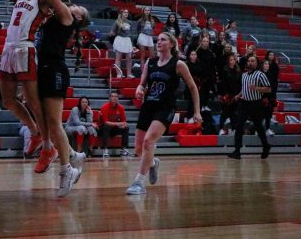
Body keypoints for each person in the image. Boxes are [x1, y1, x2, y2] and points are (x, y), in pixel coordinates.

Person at [0, 0, 71, 174]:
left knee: (32, 100)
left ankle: (48, 146)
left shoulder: (43, 3)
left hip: (26, 50)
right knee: (8, 101)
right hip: (8, 50)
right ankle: (34, 132)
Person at [19, 0, 89, 197]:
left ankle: (67, 168)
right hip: (43, 67)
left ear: (79, 18)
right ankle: (71, 154)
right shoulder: (51, 15)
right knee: (44, 117)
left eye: (80, 9)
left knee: (54, 121)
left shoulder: (67, 18)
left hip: (55, 69)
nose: (76, 6)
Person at [126, 32, 202, 195]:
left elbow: (193, 87)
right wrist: (139, 90)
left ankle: (139, 183)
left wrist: (197, 111)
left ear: (172, 44)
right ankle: (153, 163)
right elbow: (142, 84)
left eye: (163, 39)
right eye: (158, 39)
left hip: (165, 108)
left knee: (148, 141)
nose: (158, 42)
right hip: (148, 106)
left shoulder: (179, 64)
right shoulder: (150, 62)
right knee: (139, 149)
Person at [228, 55, 272, 160]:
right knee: (239, 126)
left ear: (257, 64)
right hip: (244, 103)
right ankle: (237, 151)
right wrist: (238, 95)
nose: (250, 62)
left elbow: (269, 89)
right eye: (249, 61)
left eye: (253, 61)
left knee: (258, 126)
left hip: (256, 103)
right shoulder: (243, 75)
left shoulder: (260, 74)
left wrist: (256, 88)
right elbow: (244, 89)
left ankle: (266, 146)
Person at [99, 92, 129, 157]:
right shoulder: (104, 107)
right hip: (102, 129)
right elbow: (105, 122)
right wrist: (118, 124)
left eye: (116, 96)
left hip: (113, 129)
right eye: (112, 96)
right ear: (109, 98)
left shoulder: (121, 107)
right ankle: (105, 150)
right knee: (106, 126)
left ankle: (124, 149)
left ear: (118, 98)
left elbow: (124, 121)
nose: (114, 98)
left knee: (126, 127)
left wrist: (124, 124)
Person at [218, 54, 241, 135]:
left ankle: (234, 129)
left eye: (233, 60)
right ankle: (221, 128)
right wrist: (224, 94)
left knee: (234, 114)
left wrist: (238, 94)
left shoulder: (238, 71)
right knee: (224, 113)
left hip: (235, 95)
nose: (232, 61)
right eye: (231, 60)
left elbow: (239, 83)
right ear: (228, 61)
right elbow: (222, 83)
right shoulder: (225, 70)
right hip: (226, 94)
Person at [110, 9, 134, 78]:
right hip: (120, 39)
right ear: (121, 13)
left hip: (127, 40)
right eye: (125, 12)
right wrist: (112, 33)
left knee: (129, 58)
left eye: (127, 12)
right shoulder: (117, 22)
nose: (126, 13)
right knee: (118, 58)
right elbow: (112, 31)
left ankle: (129, 74)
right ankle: (119, 74)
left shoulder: (130, 22)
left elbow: (130, 33)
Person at [136, 7, 156, 74]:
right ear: (143, 11)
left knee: (152, 56)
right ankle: (143, 72)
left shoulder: (152, 20)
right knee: (143, 55)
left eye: (148, 10)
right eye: (146, 10)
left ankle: (151, 70)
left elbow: (153, 28)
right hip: (142, 36)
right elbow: (137, 29)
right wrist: (140, 36)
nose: (147, 11)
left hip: (149, 37)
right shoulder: (140, 20)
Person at [260, 60, 277, 136]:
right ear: (262, 65)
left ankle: (267, 129)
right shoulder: (259, 74)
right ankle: (258, 130)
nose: (267, 65)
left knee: (268, 114)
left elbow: (273, 86)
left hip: (269, 97)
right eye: (265, 64)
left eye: (268, 64)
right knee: (260, 115)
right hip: (260, 97)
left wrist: (273, 97)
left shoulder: (271, 75)